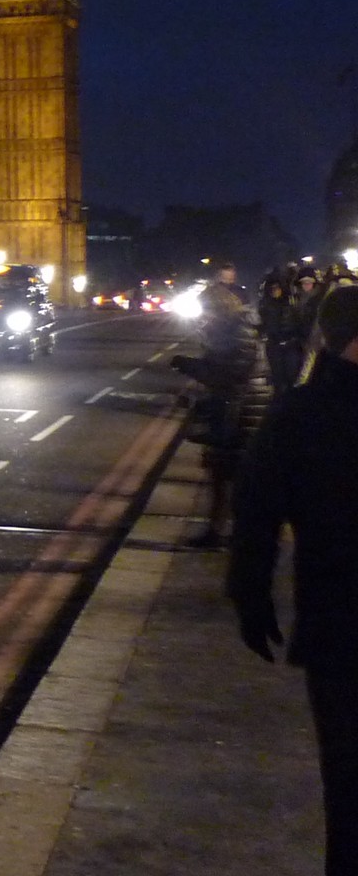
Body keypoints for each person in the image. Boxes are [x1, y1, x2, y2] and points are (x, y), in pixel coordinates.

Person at [230, 284, 358, 876]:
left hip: (339, 627)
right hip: (340, 629)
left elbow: (256, 511)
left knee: (349, 788)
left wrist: (251, 597)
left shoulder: (302, 412)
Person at [171, 259, 258, 546]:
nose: (203, 319)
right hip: (234, 411)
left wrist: (191, 367)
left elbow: (229, 374)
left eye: (206, 312)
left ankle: (231, 534)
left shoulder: (237, 332)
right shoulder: (232, 329)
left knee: (230, 478)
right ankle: (219, 531)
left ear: (218, 310)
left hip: (241, 416)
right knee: (222, 477)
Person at [263, 273, 305, 396]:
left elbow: (298, 321)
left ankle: (290, 401)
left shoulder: (291, 302)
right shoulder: (265, 305)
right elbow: (262, 324)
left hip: (290, 343)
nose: (275, 291)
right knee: (278, 376)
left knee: (292, 375)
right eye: (272, 289)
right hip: (274, 344)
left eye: (277, 288)